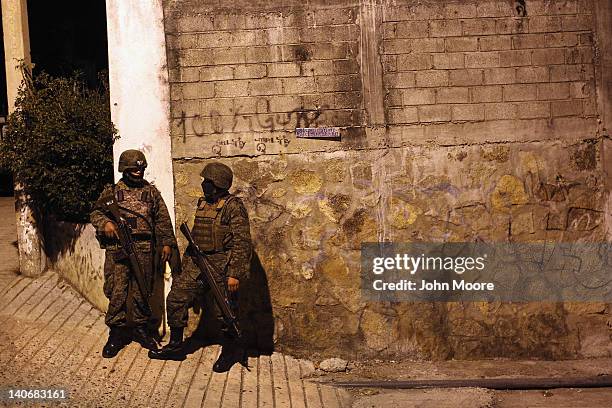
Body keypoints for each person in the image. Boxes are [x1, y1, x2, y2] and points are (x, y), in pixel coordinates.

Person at [149, 162, 252, 373]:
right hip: (198, 263)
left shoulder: (233, 206)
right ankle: (176, 346)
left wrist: (235, 274)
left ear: (218, 184)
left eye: (207, 181)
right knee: (176, 297)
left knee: (225, 310)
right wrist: (186, 266)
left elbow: (242, 242)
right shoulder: (203, 203)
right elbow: (197, 237)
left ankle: (230, 350)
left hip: (222, 264)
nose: (203, 184)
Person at [90, 149, 178, 358]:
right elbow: (96, 212)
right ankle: (116, 331)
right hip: (118, 249)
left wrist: (166, 244)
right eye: (134, 168)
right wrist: (106, 223)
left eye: (141, 168)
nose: (138, 171)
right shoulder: (112, 192)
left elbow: (162, 220)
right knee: (116, 291)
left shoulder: (151, 192)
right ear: (124, 169)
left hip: (144, 249)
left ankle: (141, 329)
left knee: (142, 289)